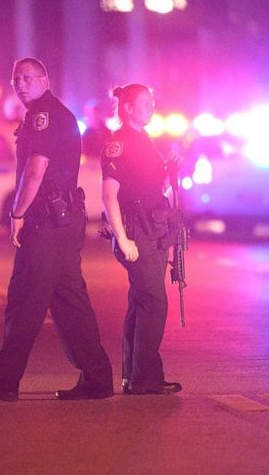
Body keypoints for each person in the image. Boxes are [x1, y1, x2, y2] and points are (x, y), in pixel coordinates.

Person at [0, 58, 114, 402]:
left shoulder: (45, 116)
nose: (21, 84)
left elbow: (35, 169)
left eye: (28, 78)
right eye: (16, 79)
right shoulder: (44, 114)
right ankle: (98, 379)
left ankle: (4, 380)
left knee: (25, 300)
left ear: (45, 80)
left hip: (47, 222)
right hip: (61, 222)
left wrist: (18, 213)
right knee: (69, 303)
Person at [101, 83, 183, 395]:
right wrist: (123, 240)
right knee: (154, 302)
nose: (151, 106)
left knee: (140, 302)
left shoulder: (145, 141)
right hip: (137, 230)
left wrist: (170, 167)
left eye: (152, 101)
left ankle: (133, 375)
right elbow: (109, 196)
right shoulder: (118, 144)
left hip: (153, 227)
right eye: (145, 103)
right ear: (128, 109)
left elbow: (153, 187)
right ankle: (145, 377)